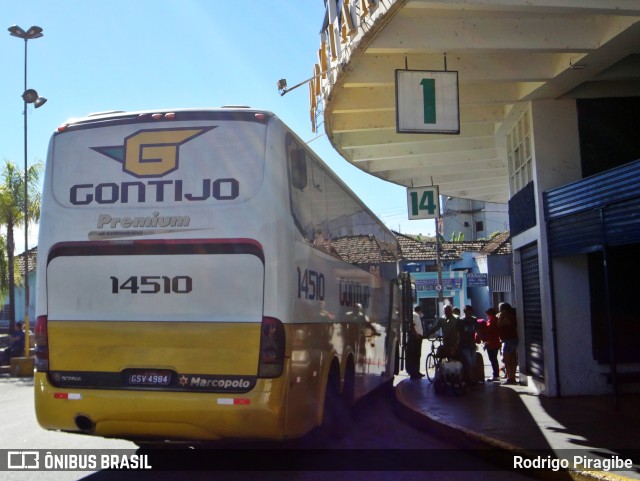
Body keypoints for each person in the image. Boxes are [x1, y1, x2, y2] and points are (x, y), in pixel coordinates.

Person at [478, 307, 501, 381]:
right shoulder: (494, 320)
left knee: (493, 359)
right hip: (494, 342)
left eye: (487, 314)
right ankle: (496, 374)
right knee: (494, 359)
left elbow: (489, 331)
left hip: (492, 343)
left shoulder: (492, 321)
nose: (486, 315)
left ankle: (496, 375)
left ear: (489, 314)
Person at [497, 302, 518, 385]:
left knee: (507, 360)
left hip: (508, 340)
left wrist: (500, 317)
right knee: (512, 359)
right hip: (513, 339)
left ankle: (510, 378)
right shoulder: (513, 316)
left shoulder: (506, 317)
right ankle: (512, 377)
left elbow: (499, 325)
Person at [458, 305, 478, 383]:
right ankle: (471, 379)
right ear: (465, 312)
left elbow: (477, 331)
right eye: (467, 312)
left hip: (472, 344)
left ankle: (471, 378)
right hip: (464, 345)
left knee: (473, 362)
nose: (468, 313)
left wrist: (480, 339)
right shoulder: (461, 321)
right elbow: (457, 333)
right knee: (469, 361)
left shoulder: (474, 320)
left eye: (470, 312)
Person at [406, 305, 425, 379]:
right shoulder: (414, 315)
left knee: (417, 355)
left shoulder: (416, 315)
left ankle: (417, 371)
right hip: (415, 338)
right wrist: (416, 334)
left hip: (418, 337)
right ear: (419, 310)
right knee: (415, 355)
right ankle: (414, 372)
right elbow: (411, 325)